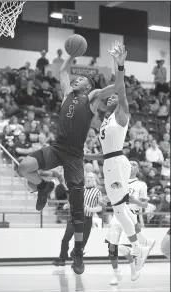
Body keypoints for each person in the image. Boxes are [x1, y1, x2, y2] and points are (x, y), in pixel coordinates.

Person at [18, 39, 120, 274]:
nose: (76, 79)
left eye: (81, 79)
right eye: (76, 78)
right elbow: (64, 70)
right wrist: (72, 55)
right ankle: (43, 186)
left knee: (77, 209)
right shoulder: (67, 93)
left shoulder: (92, 98)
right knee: (23, 167)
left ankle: (77, 253)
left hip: (74, 155)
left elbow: (114, 87)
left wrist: (117, 63)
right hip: (56, 147)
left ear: (88, 85)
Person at [84, 41, 150, 272]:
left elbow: (119, 88)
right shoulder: (106, 119)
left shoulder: (122, 115)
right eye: (109, 98)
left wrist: (120, 65)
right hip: (110, 162)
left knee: (119, 210)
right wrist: (86, 155)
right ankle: (142, 243)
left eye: (114, 97)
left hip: (116, 163)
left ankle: (137, 248)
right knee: (120, 209)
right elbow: (105, 153)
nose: (110, 98)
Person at [104, 160, 155, 285]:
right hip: (117, 214)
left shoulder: (141, 185)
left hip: (131, 214)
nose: (132, 167)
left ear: (138, 169)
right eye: (130, 164)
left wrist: (135, 201)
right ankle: (116, 273)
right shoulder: (120, 181)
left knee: (121, 247)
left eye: (135, 165)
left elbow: (145, 204)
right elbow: (110, 195)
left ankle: (134, 267)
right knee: (112, 246)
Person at [52, 172, 102, 266]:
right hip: (74, 218)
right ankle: (62, 259)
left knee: (82, 243)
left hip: (87, 219)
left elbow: (100, 207)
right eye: (87, 177)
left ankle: (77, 261)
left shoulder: (97, 192)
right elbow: (72, 202)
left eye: (91, 177)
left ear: (94, 179)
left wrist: (90, 209)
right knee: (65, 239)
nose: (88, 179)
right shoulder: (78, 190)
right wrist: (68, 205)